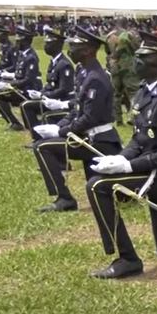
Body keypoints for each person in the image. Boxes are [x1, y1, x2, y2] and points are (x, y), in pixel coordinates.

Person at [86, 32, 157, 279]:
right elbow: (139, 138)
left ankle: (127, 259)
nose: (135, 62)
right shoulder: (146, 92)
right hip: (154, 170)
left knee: (98, 187)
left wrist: (129, 167)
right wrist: (122, 158)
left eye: (142, 58)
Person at [31, 26, 123, 213]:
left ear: (88, 50)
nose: (70, 50)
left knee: (42, 147)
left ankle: (65, 199)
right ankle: (65, 196)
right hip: (86, 137)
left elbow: (90, 117)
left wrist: (60, 132)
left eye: (74, 47)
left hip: (99, 141)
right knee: (44, 144)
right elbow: (77, 109)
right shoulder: (84, 72)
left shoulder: (95, 77)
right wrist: (59, 125)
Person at [20, 29, 75, 141]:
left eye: (49, 43)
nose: (46, 46)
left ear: (58, 45)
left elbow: (65, 89)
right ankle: (36, 132)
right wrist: (41, 93)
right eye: (46, 43)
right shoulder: (54, 62)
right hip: (51, 98)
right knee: (26, 105)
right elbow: (50, 84)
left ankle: (38, 136)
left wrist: (44, 95)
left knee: (27, 106)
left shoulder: (64, 64)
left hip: (60, 101)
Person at [0, 26, 42, 131]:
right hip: (23, 86)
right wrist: (6, 76)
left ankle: (16, 123)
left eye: (19, 39)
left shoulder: (31, 57)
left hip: (30, 89)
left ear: (26, 41)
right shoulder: (23, 55)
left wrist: (11, 84)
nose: (16, 41)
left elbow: (28, 80)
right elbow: (19, 74)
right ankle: (14, 122)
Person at [105, 18, 139, 124]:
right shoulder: (130, 35)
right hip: (128, 66)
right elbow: (136, 48)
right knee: (134, 92)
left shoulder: (109, 36)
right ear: (126, 24)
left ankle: (118, 119)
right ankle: (133, 117)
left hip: (114, 66)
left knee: (116, 94)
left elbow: (107, 51)